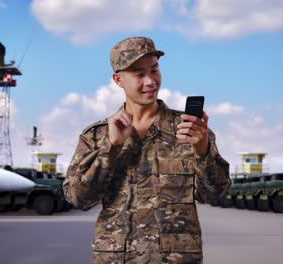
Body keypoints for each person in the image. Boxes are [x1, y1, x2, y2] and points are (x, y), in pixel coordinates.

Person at [63, 36, 230, 264]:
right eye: (139, 74)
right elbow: (78, 198)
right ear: (118, 79)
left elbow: (214, 194)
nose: (151, 81)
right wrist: (110, 148)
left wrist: (202, 151)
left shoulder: (189, 129)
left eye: (154, 70)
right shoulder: (97, 135)